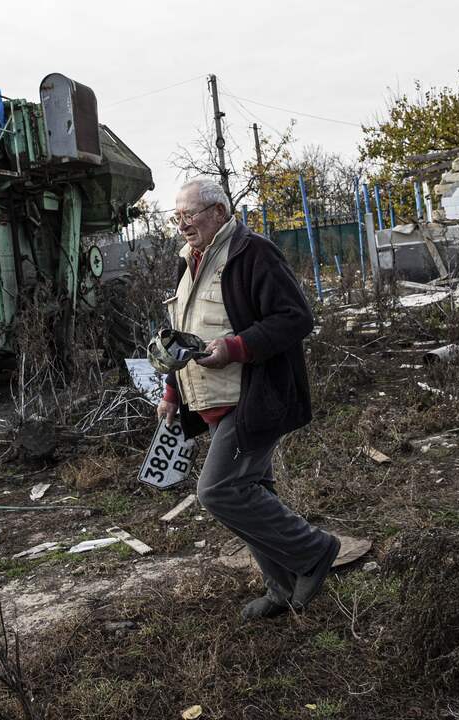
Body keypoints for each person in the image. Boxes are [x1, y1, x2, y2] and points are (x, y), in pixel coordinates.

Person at [157, 177, 340, 621]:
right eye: (177, 216)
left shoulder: (251, 252)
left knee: (218, 490)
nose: (182, 225)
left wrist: (236, 347)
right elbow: (187, 332)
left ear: (219, 212)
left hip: (252, 399)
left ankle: (315, 550)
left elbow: (295, 318)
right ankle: (280, 590)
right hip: (211, 400)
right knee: (252, 490)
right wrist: (171, 391)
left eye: (190, 214)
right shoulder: (191, 260)